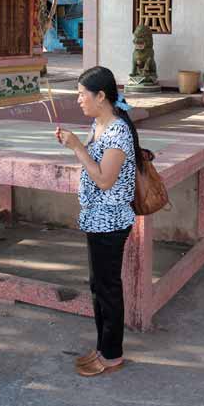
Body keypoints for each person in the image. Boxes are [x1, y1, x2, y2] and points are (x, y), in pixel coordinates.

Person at [55, 66, 140, 377]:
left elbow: (105, 179)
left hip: (112, 221)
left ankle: (113, 354)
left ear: (101, 96)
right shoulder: (98, 124)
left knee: (108, 288)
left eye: (82, 94)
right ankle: (103, 347)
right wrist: (76, 144)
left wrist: (77, 147)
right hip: (95, 219)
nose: (79, 100)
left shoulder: (117, 131)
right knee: (98, 286)